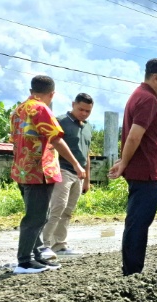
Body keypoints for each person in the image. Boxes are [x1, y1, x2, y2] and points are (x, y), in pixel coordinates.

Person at [109, 57, 157, 276]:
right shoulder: (147, 99)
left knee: (138, 221)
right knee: (138, 223)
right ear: (156, 77)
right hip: (147, 171)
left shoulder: (141, 96)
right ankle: (132, 272)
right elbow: (134, 137)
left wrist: (125, 160)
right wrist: (124, 162)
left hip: (145, 170)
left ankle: (132, 269)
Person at [10, 75, 86, 274]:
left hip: (22, 169)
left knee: (36, 215)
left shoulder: (18, 110)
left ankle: (36, 257)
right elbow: (57, 140)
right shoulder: (41, 109)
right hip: (39, 171)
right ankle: (24, 261)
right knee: (35, 218)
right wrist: (76, 164)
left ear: (31, 90)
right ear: (52, 94)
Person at [40, 93, 94, 259]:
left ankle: (60, 245)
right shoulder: (60, 121)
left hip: (78, 174)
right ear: (73, 104)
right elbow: (50, 145)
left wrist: (87, 179)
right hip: (61, 169)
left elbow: (86, 155)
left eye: (88, 111)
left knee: (68, 211)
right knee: (57, 208)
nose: (84, 113)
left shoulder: (88, 127)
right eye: (81, 109)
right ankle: (44, 246)